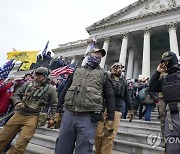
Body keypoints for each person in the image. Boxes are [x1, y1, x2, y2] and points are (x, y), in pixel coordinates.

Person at [55, 48, 115, 154]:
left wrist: (110, 119)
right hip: (69, 113)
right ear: (88, 55)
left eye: (100, 56)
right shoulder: (76, 71)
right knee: (62, 146)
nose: (97, 57)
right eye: (95, 54)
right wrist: (57, 110)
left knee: (84, 148)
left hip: (89, 117)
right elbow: (65, 90)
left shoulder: (104, 75)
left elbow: (110, 97)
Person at [0, 67, 58, 154]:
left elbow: (54, 103)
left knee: (22, 142)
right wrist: (17, 102)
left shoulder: (51, 89)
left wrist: (52, 117)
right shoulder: (28, 84)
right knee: (3, 136)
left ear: (45, 76)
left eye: (39, 76)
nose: (36, 77)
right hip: (20, 113)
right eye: (35, 75)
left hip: (34, 116)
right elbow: (16, 95)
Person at [95, 62, 134, 154]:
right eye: (116, 67)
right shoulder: (105, 79)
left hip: (117, 109)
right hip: (103, 108)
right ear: (111, 69)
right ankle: (98, 151)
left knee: (110, 135)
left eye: (120, 68)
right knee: (98, 133)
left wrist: (131, 109)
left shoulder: (124, 82)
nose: (119, 69)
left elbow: (127, 96)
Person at [149, 51, 180, 153]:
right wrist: (158, 72)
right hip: (171, 115)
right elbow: (152, 88)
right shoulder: (164, 78)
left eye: (168, 61)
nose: (166, 64)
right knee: (173, 147)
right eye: (164, 62)